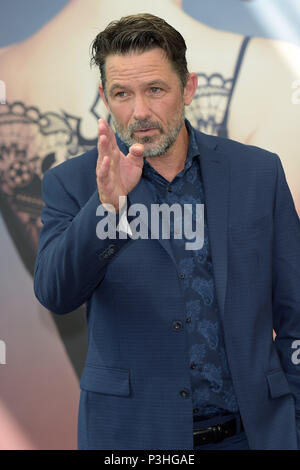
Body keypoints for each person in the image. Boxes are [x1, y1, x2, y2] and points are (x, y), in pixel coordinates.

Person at [33, 13, 300, 450]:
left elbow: (295, 312)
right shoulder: (73, 182)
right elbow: (55, 293)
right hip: (132, 440)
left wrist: (295, 428)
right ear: (104, 97)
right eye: (122, 94)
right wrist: (107, 209)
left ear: (188, 88)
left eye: (155, 89)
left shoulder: (258, 172)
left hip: (254, 436)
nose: (139, 112)